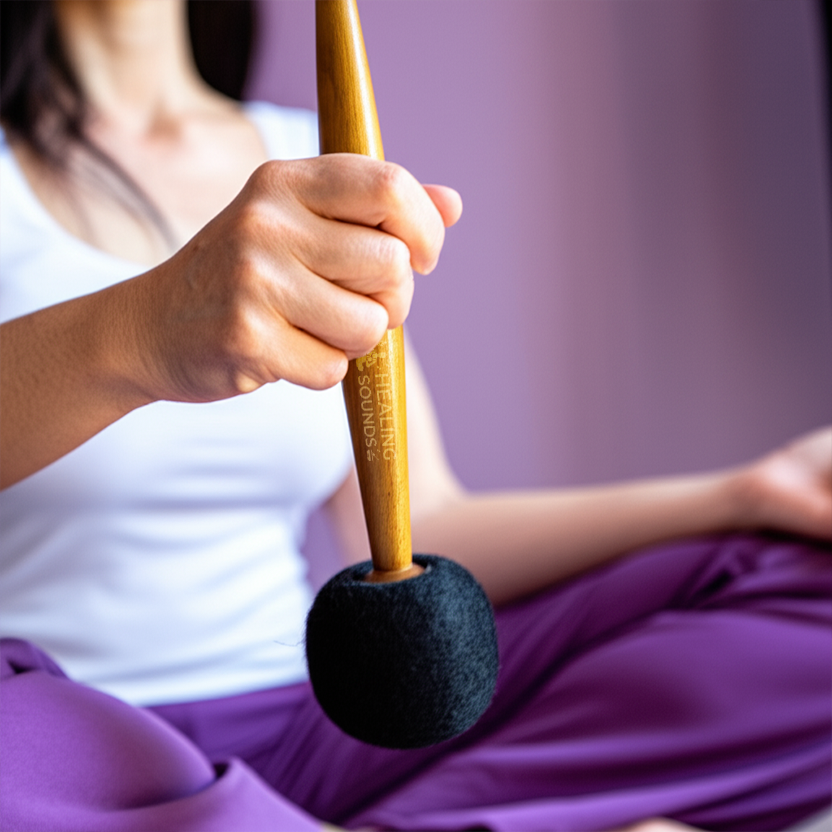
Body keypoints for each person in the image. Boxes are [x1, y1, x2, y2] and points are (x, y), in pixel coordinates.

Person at [0, 2, 829, 830]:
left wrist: (745, 494)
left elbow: (418, 524)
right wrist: (143, 330)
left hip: (318, 736)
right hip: (63, 747)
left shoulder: (309, 161)